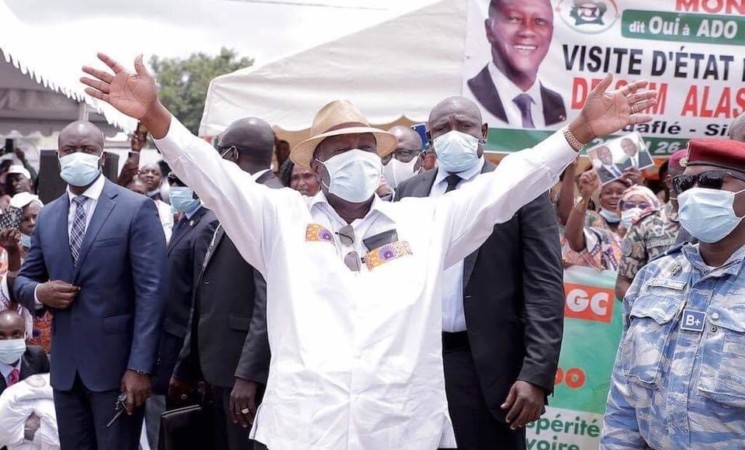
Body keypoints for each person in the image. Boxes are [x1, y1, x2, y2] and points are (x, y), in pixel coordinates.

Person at [81, 52, 655, 449]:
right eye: (342, 148)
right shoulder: (277, 221)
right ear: (316, 167)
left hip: (401, 430)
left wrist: (576, 133)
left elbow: (508, 186)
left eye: (366, 147)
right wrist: (157, 118)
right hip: (306, 428)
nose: (357, 155)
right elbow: (212, 175)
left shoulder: (427, 222)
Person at [396, 97, 563, 449]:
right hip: (417, 364)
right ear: (429, 137)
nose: (453, 134)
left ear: (483, 133)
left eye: (464, 126)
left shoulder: (521, 190)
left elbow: (544, 287)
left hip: (487, 369)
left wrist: (535, 375)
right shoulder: (408, 193)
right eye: (442, 128)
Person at [13, 120, 168, 450]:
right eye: (70, 150)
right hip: (67, 371)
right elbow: (24, 280)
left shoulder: (135, 208)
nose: (78, 156)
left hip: (118, 370)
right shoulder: (50, 215)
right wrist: (41, 292)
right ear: (58, 156)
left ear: (101, 156)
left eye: (87, 150)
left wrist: (139, 367)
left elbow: (152, 293)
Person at [601, 138, 745, 448]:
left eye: (711, 182)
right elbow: (624, 398)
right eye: (685, 183)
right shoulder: (654, 276)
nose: (693, 193)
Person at [170, 117, 281, 450]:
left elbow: (269, 299)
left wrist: (248, 375)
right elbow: (206, 293)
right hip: (216, 368)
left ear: (231, 155)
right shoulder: (232, 204)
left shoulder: (272, 203)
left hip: (243, 376)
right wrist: (187, 365)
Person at [145, 173, 218, 449]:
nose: (176, 189)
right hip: (168, 342)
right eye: (172, 182)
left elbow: (201, 298)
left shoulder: (207, 224)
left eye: (183, 182)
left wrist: (187, 363)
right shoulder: (185, 220)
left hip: (183, 348)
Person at [467, 0, 566, 129]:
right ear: (489, 29)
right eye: (514, 19)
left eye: (540, 21)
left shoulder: (558, 105)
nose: (527, 31)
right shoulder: (469, 96)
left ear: (551, 33)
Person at [615, 149, 686, 300]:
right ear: (669, 181)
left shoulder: (717, 222)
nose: (694, 185)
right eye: (685, 180)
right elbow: (624, 282)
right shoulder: (646, 223)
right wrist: (645, 311)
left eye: (700, 179)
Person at [565, 171, 659, 271]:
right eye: (629, 205)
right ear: (620, 210)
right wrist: (585, 196)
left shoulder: (660, 242)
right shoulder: (605, 239)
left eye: (643, 206)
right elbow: (573, 237)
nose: (636, 210)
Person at [0, 194, 52, 354]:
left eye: (36, 217)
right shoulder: (4, 257)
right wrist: (13, 253)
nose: (32, 223)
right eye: (25, 219)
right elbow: (11, 295)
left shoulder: (57, 251)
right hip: (15, 349)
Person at [0, 310, 48, 397]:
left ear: (25, 335)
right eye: (1, 336)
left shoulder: (37, 357)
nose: (9, 341)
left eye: (16, 334)